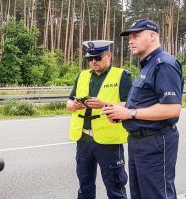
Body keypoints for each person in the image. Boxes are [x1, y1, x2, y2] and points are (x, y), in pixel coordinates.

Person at [102, 19, 184, 199]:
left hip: (155, 141)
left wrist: (130, 113)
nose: (131, 41)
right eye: (130, 37)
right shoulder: (147, 65)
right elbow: (142, 103)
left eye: (136, 36)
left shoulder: (164, 64)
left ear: (152, 36)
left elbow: (172, 108)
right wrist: (119, 109)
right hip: (138, 142)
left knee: (157, 194)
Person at [66, 40, 132, 199]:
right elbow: (68, 101)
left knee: (115, 186)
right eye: (90, 58)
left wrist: (104, 104)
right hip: (83, 139)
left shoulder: (121, 75)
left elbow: (130, 104)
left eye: (97, 57)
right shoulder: (82, 75)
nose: (93, 61)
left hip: (108, 141)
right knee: (84, 185)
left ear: (108, 55)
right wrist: (73, 105)